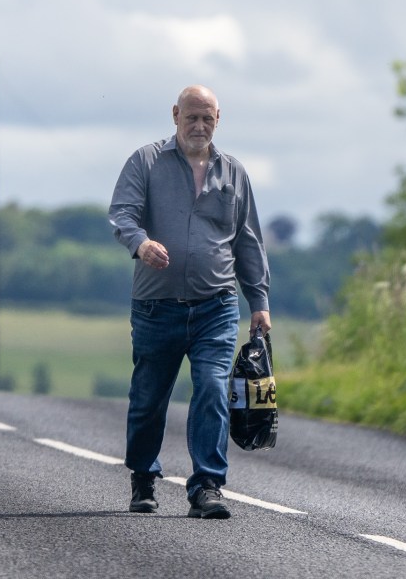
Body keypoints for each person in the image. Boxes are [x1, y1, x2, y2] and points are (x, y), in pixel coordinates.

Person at [108, 85, 271, 519]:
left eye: (207, 119)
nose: (199, 126)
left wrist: (259, 301)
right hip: (156, 307)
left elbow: (248, 241)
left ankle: (207, 487)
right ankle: (143, 477)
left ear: (219, 119)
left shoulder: (233, 172)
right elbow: (121, 214)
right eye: (191, 117)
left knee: (214, 389)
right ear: (175, 114)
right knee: (148, 398)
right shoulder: (144, 161)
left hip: (216, 306)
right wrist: (141, 245)